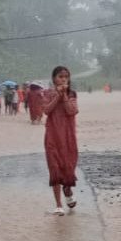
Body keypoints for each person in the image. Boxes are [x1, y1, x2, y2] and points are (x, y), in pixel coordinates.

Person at [43, 65, 79, 215]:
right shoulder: (47, 93)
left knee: (68, 166)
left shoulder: (72, 94)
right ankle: (58, 205)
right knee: (54, 167)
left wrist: (64, 95)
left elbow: (73, 111)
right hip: (52, 136)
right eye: (60, 77)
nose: (63, 79)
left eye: (66, 77)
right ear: (54, 79)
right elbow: (46, 110)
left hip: (68, 137)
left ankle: (67, 188)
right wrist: (57, 96)